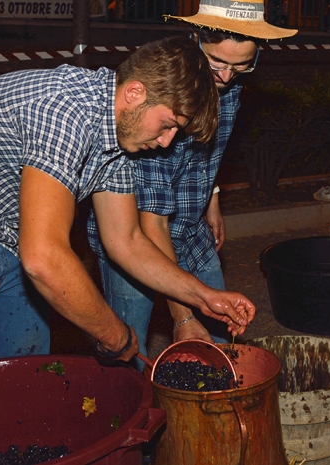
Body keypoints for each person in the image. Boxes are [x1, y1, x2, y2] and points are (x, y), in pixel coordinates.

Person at [0, 35, 255, 381]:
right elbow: (44, 257)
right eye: (167, 125)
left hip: (10, 235)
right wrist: (115, 335)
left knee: (30, 377)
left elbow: (125, 240)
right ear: (135, 92)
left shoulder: (121, 135)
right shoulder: (64, 112)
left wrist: (203, 296)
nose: (165, 142)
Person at [87, 0, 297, 370]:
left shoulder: (228, 85)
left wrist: (212, 199)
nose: (227, 77)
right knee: (129, 350)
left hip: (192, 227)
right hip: (134, 236)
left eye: (242, 65)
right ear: (196, 39)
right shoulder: (161, 101)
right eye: (217, 63)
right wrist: (182, 317)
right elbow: (151, 225)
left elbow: (209, 150)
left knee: (223, 339)